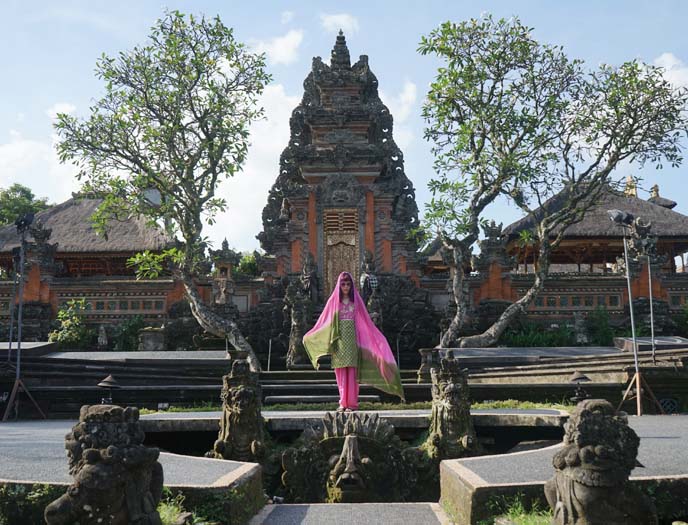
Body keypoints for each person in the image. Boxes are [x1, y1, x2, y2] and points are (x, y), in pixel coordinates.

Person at [303, 271, 404, 411]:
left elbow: (366, 322)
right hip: (338, 341)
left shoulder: (356, 302)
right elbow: (324, 321)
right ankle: (342, 402)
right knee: (340, 372)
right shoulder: (334, 302)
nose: (345, 287)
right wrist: (311, 335)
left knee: (352, 373)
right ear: (339, 285)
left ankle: (352, 403)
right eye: (343, 284)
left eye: (348, 284)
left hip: (352, 341)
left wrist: (377, 337)